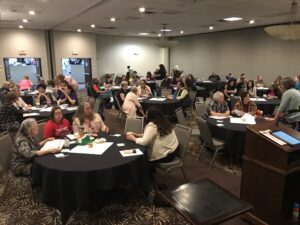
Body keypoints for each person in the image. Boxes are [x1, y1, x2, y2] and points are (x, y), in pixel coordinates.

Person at [126, 106, 179, 171]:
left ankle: (147, 175)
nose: (145, 115)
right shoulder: (164, 121)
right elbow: (154, 135)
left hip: (165, 156)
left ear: (151, 116)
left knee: (142, 157)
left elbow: (144, 142)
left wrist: (133, 138)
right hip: (174, 151)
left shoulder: (152, 126)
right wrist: (137, 135)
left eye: (147, 114)